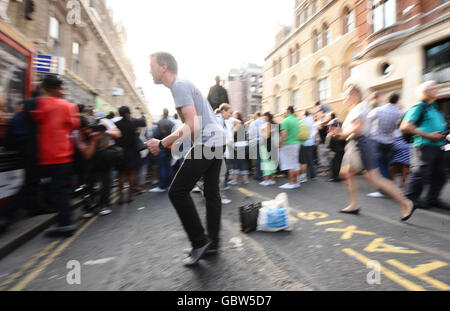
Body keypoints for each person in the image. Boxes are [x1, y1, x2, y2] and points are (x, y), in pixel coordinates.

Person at [147, 52, 226, 266]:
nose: (149, 70)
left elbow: (192, 125)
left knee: (177, 191)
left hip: (208, 142)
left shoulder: (179, 86)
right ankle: (213, 243)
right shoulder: (181, 86)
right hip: (216, 140)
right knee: (211, 193)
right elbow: (193, 125)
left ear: (163, 67)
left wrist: (163, 143)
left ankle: (200, 242)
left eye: (151, 65)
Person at [332, 83, 414, 221]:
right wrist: (338, 134)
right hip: (356, 144)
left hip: (360, 143)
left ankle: (406, 203)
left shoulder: (360, 107)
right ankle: (354, 204)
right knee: (348, 173)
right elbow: (351, 130)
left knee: (373, 177)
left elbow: (358, 129)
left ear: (355, 94)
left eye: (346, 95)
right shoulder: (354, 109)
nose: (344, 98)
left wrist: (341, 133)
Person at [29, 74, 80, 237]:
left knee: (49, 189)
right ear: (57, 89)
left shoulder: (40, 103)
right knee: (61, 191)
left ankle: (65, 224)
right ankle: (65, 223)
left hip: (46, 156)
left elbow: (34, 116)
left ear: (45, 88)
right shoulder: (68, 106)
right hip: (64, 155)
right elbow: (74, 125)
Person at [400, 81, 448, 210]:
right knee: (419, 173)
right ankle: (410, 201)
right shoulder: (419, 107)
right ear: (424, 92)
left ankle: (432, 199)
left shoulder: (434, 108)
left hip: (439, 146)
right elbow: (405, 126)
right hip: (424, 145)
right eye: (433, 88)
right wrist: (429, 135)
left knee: (440, 175)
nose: (437, 89)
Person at [366, 92, 404, 198]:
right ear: (397, 100)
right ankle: (387, 187)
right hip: (390, 141)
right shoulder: (399, 112)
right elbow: (399, 126)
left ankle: (383, 190)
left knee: (380, 167)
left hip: (377, 140)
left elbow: (368, 119)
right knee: (386, 166)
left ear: (387, 99)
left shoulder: (378, 110)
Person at [115, 106, 145, 204]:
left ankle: (120, 197)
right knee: (132, 173)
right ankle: (130, 196)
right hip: (132, 151)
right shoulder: (133, 122)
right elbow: (143, 122)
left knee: (121, 175)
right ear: (128, 113)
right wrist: (141, 112)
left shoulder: (116, 124)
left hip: (120, 152)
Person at [149, 108, 175, 193]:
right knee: (168, 166)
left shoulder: (160, 122)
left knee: (162, 166)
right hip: (170, 146)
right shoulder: (171, 123)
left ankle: (162, 186)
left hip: (162, 146)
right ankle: (170, 184)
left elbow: (155, 134)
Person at [279, 106, 301, 189]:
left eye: (285, 111)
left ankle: (291, 183)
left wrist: (280, 144)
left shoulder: (285, 121)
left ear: (288, 111)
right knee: (295, 163)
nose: (284, 112)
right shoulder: (296, 120)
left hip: (288, 144)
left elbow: (284, 134)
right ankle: (296, 182)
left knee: (289, 164)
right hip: (296, 143)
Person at [259, 112, 278, 186]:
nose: (263, 118)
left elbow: (267, 136)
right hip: (272, 146)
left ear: (267, 117)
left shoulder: (267, 124)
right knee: (271, 162)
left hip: (265, 146)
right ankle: (272, 180)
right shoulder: (273, 123)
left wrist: (260, 130)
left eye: (264, 117)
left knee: (266, 163)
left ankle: (266, 181)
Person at [230, 111, 249, 185]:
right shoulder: (242, 124)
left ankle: (234, 180)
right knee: (243, 162)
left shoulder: (238, 124)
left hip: (239, 146)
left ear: (237, 117)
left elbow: (232, 133)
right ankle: (245, 179)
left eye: (234, 115)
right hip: (244, 145)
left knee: (236, 162)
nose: (232, 117)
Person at [298, 111, 317, 183]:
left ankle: (304, 175)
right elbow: (315, 131)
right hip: (311, 142)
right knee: (310, 159)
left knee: (303, 161)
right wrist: (312, 138)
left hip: (303, 142)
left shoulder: (302, 121)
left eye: (301, 114)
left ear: (304, 114)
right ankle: (312, 175)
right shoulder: (312, 121)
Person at [248, 112, 265, 181]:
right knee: (262, 158)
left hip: (256, 141)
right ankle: (263, 174)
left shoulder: (253, 123)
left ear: (257, 115)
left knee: (258, 158)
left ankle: (258, 175)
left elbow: (250, 134)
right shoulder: (265, 122)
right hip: (264, 141)